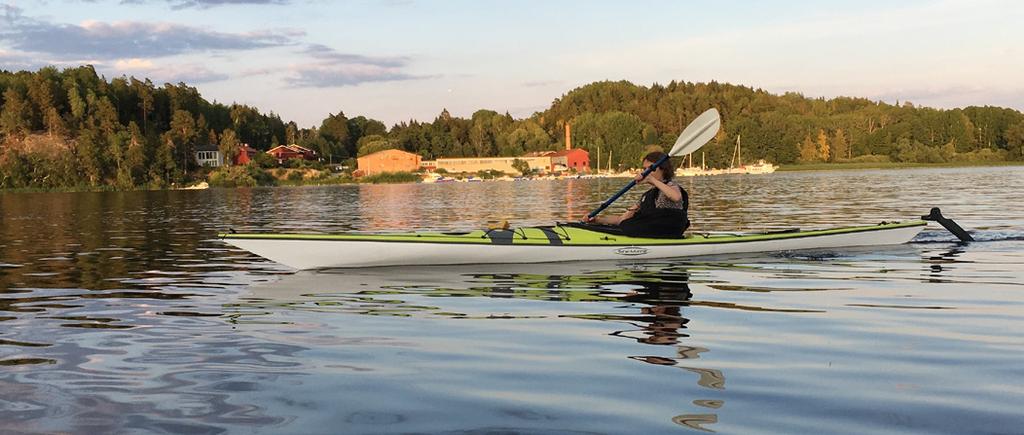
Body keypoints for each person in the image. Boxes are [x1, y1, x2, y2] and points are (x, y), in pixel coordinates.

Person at [585, 151, 689, 238]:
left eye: (650, 168)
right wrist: (597, 220)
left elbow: (676, 197)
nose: (646, 172)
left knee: (627, 225)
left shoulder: (672, 186)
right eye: (644, 169)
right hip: (650, 231)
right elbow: (622, 219)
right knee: (625, 224)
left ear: (663, 169)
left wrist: (652, 180)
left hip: (668, 231)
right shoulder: (646, 196)